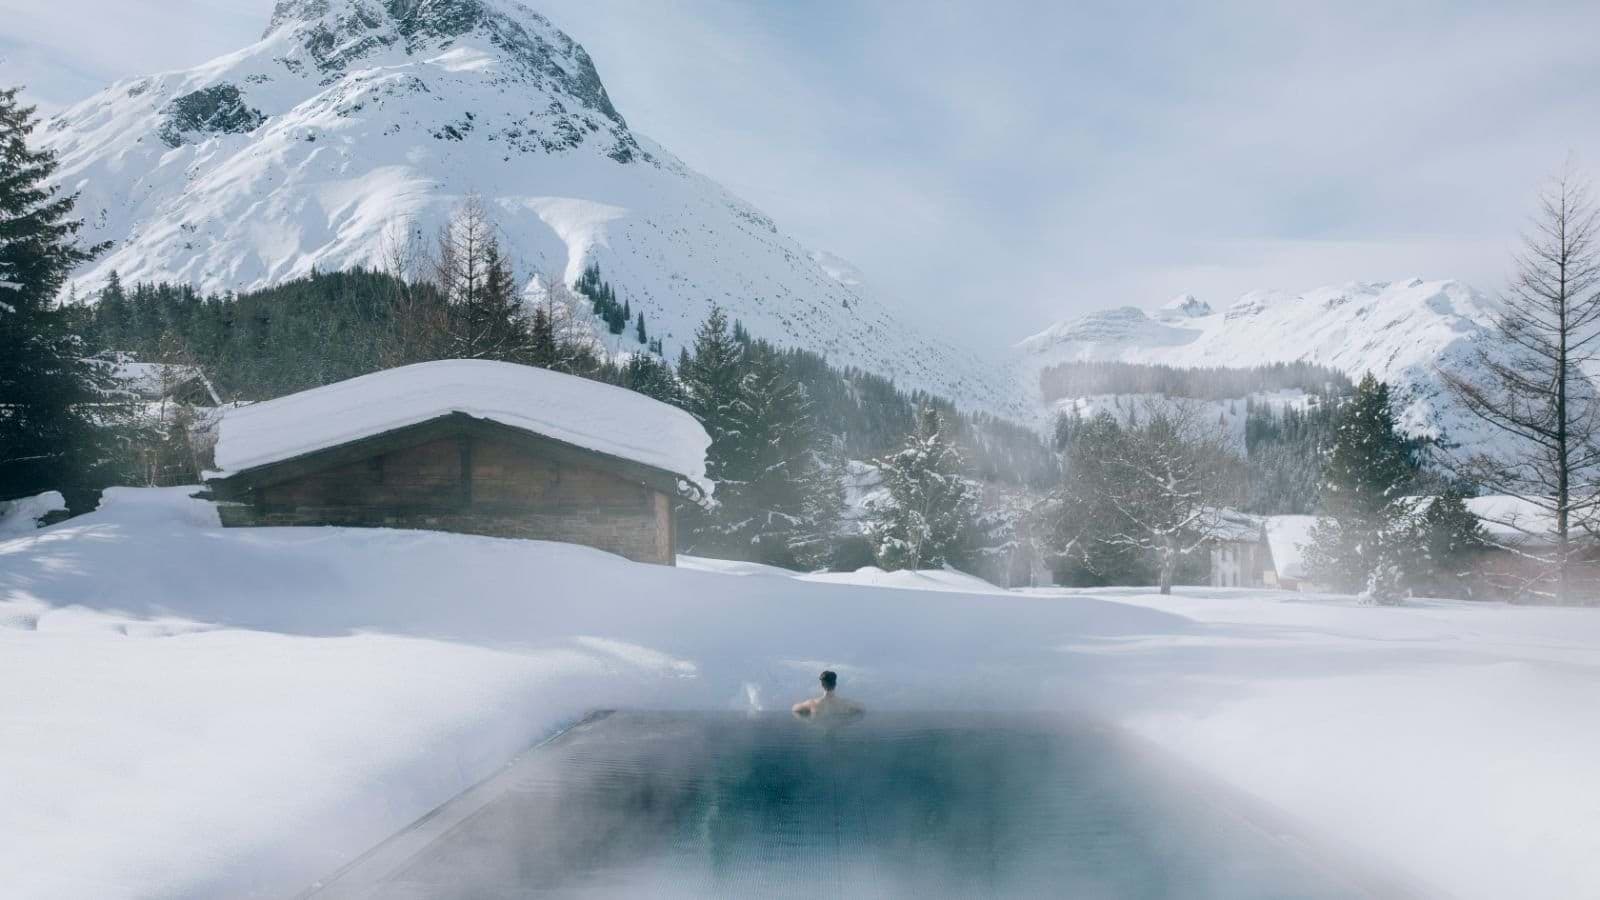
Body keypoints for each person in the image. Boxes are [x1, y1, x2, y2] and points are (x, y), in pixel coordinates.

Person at [792, 669, 863, 719]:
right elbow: (861, 708)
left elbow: (794, 709)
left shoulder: (812, 704)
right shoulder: (846, 704)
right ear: (835, 684)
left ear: (822, 685)